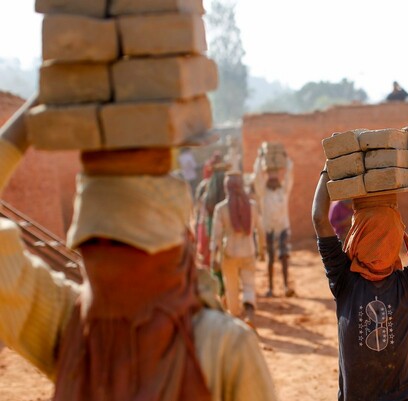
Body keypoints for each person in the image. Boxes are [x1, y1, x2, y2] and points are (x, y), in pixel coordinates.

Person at [0, 98, 277, 401]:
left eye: (123, 248)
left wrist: (31, 116)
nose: (110, 264)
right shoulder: (224, 345)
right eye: (99, 249)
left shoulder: (70, 329)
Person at [312, 126, 408, 401]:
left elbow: (318, 219)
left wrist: (331, 165)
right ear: (397, 234)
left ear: (355, 234)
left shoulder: (344, 280)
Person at [211, 171, 266, 328]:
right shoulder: (252, 206)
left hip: (229, 253)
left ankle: (234, 318)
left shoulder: (220, 209)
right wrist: (262, 250)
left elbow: (216, 237)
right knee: (249, 284)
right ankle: (249, 314)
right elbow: (261, 230)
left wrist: (214, 258)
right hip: (249, 251)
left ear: (226, 188)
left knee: (231, 287)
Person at [253, 151, 295, 297]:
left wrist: (287, 160)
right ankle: (270, 288)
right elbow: (257, 177)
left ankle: (285, 286)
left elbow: (289, 176)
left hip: (283, 227)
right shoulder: (263, 192)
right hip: (269, 229)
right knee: (270, 259)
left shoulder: (283, 191)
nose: (273, 177)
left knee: (284, 257)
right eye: (270, 174)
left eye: (275, 174)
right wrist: (259, 160)